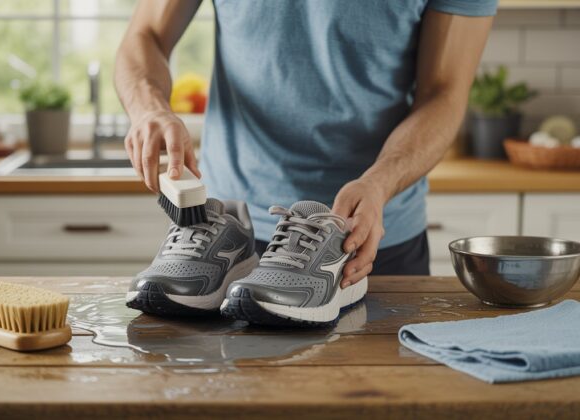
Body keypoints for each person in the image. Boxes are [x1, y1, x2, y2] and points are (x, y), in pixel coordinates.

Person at [115, 0, 496, 288]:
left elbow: (444, 94)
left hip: (367, 236)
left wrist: (380, 182)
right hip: (230, 240)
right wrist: (149, 107)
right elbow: (145, 34)